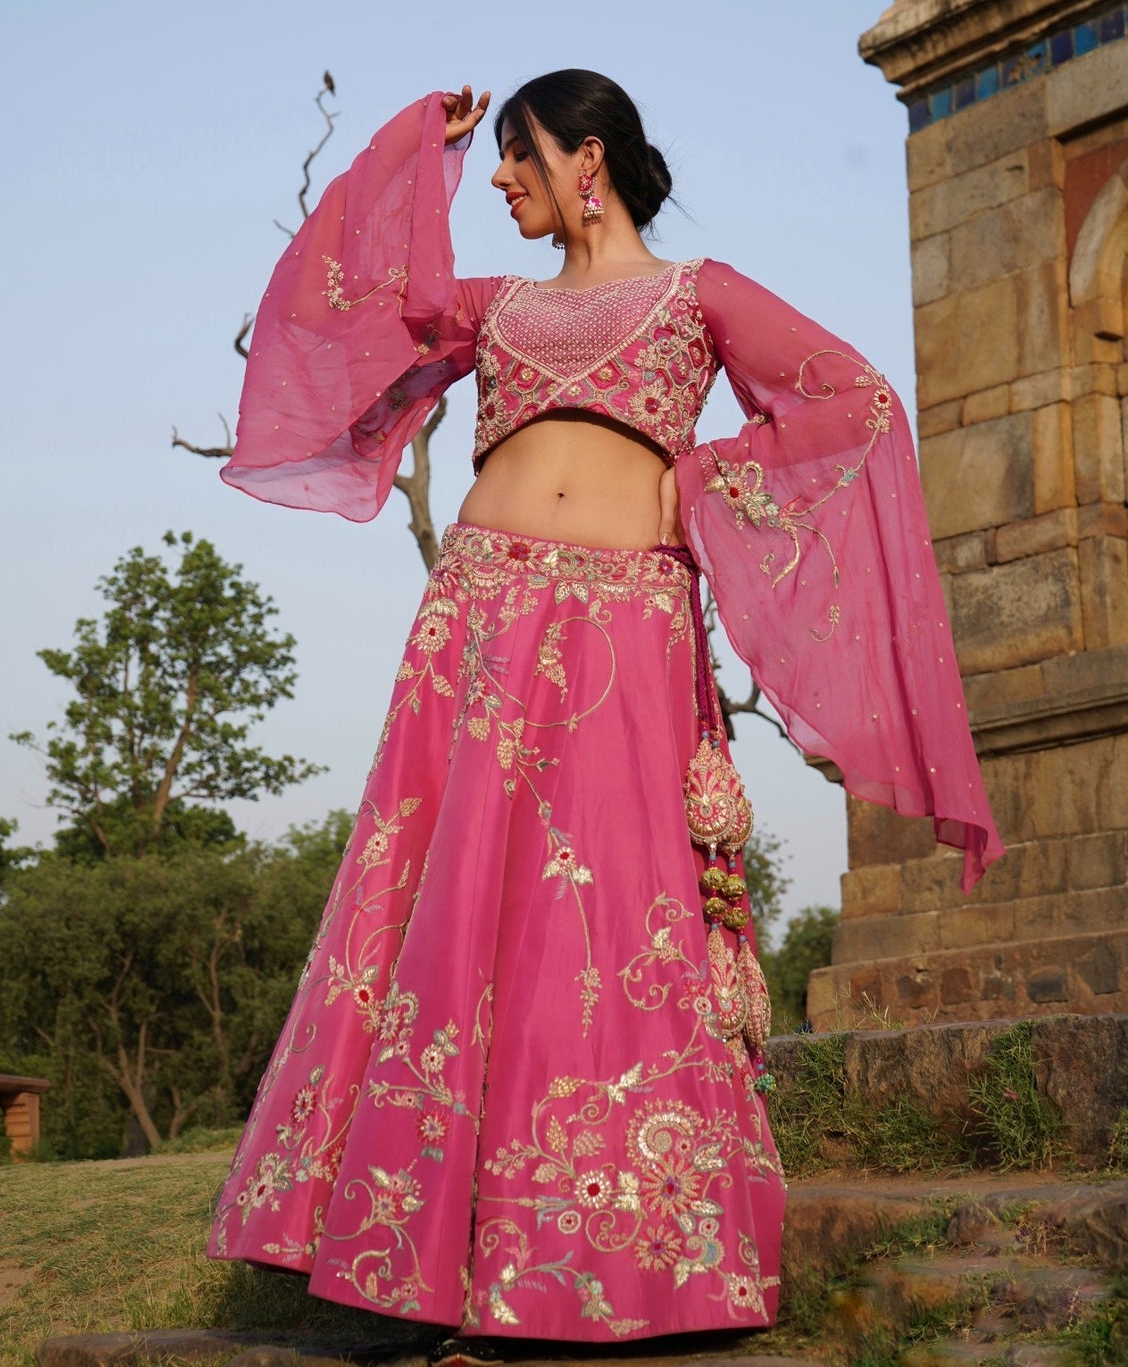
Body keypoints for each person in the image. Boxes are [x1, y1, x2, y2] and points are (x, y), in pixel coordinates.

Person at [206, 74, 1002, 1357]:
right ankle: (420, 1266)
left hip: (621, 624)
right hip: (476, 623)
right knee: (454, 910)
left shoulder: (703, 297)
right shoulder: (496, 307)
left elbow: (857, 404)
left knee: (602, 917)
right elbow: (342, 302)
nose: (506, 182)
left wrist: (703, 485)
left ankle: (595, 1273)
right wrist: (426, 152)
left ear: (590, 158)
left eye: (518, 158)